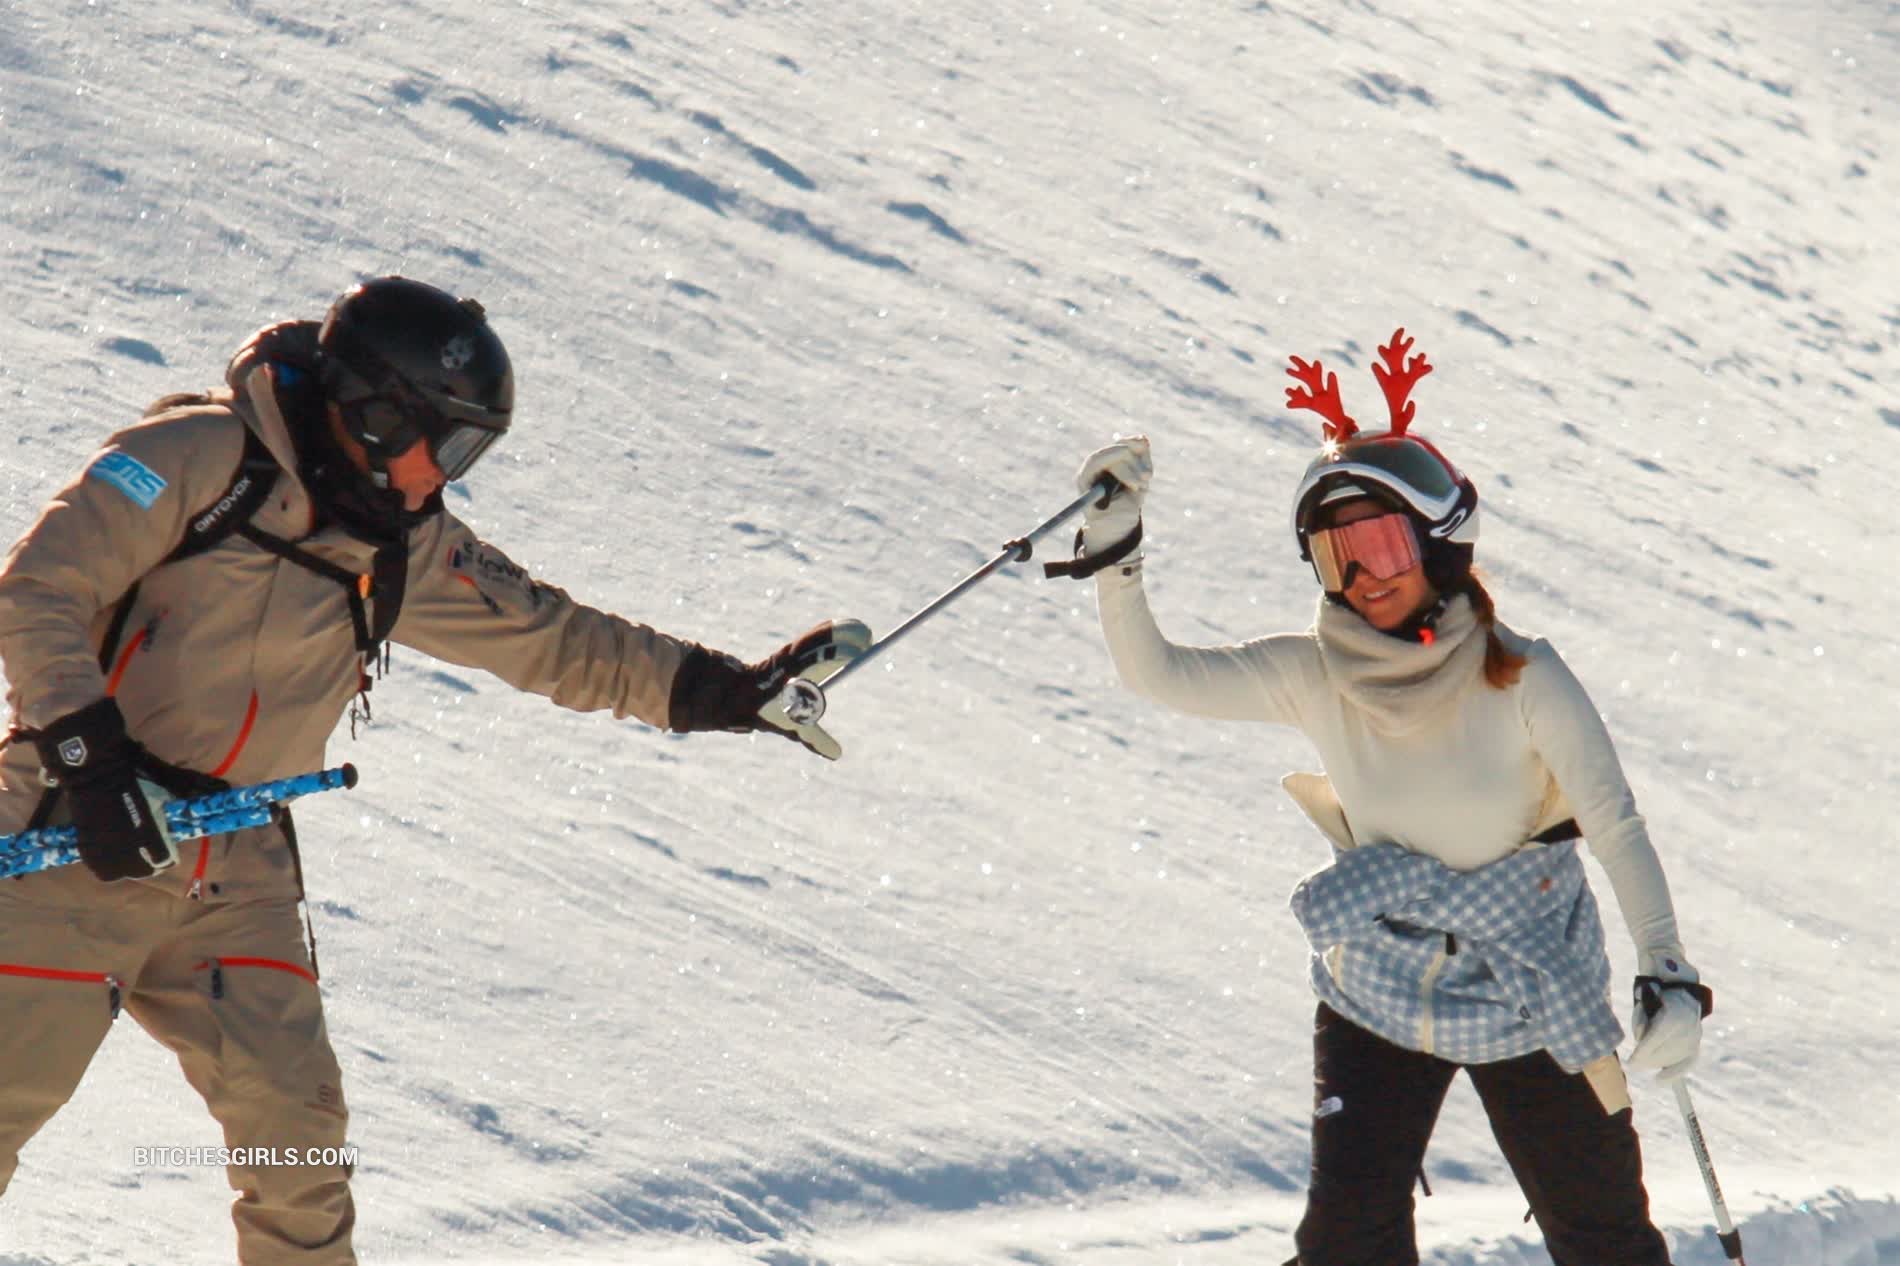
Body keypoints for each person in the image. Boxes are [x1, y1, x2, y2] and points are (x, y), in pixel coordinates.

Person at [0, 276, 869, 1264]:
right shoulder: (195, 457)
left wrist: (726, 692)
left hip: (235, 866)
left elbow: (552, 637)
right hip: (80, 833)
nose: (446, 479)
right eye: (447, 447)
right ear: (374, 415)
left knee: (298, 1153)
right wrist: (94, 765)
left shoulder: (399, 541)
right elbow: (36, 592)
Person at [1064, 329, 1711, 1266]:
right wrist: (1116, 551)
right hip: (1377, 982)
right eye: (1338, 557)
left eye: (1379, 543)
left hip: (1529, 983)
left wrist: (1666, 968)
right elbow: (1156, 674)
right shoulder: (1315, 674)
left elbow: (1614, 823)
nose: (1364, 577)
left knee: (1605, 1241)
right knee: (1345, 1244)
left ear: (1440, 545)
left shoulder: (1523, 675)